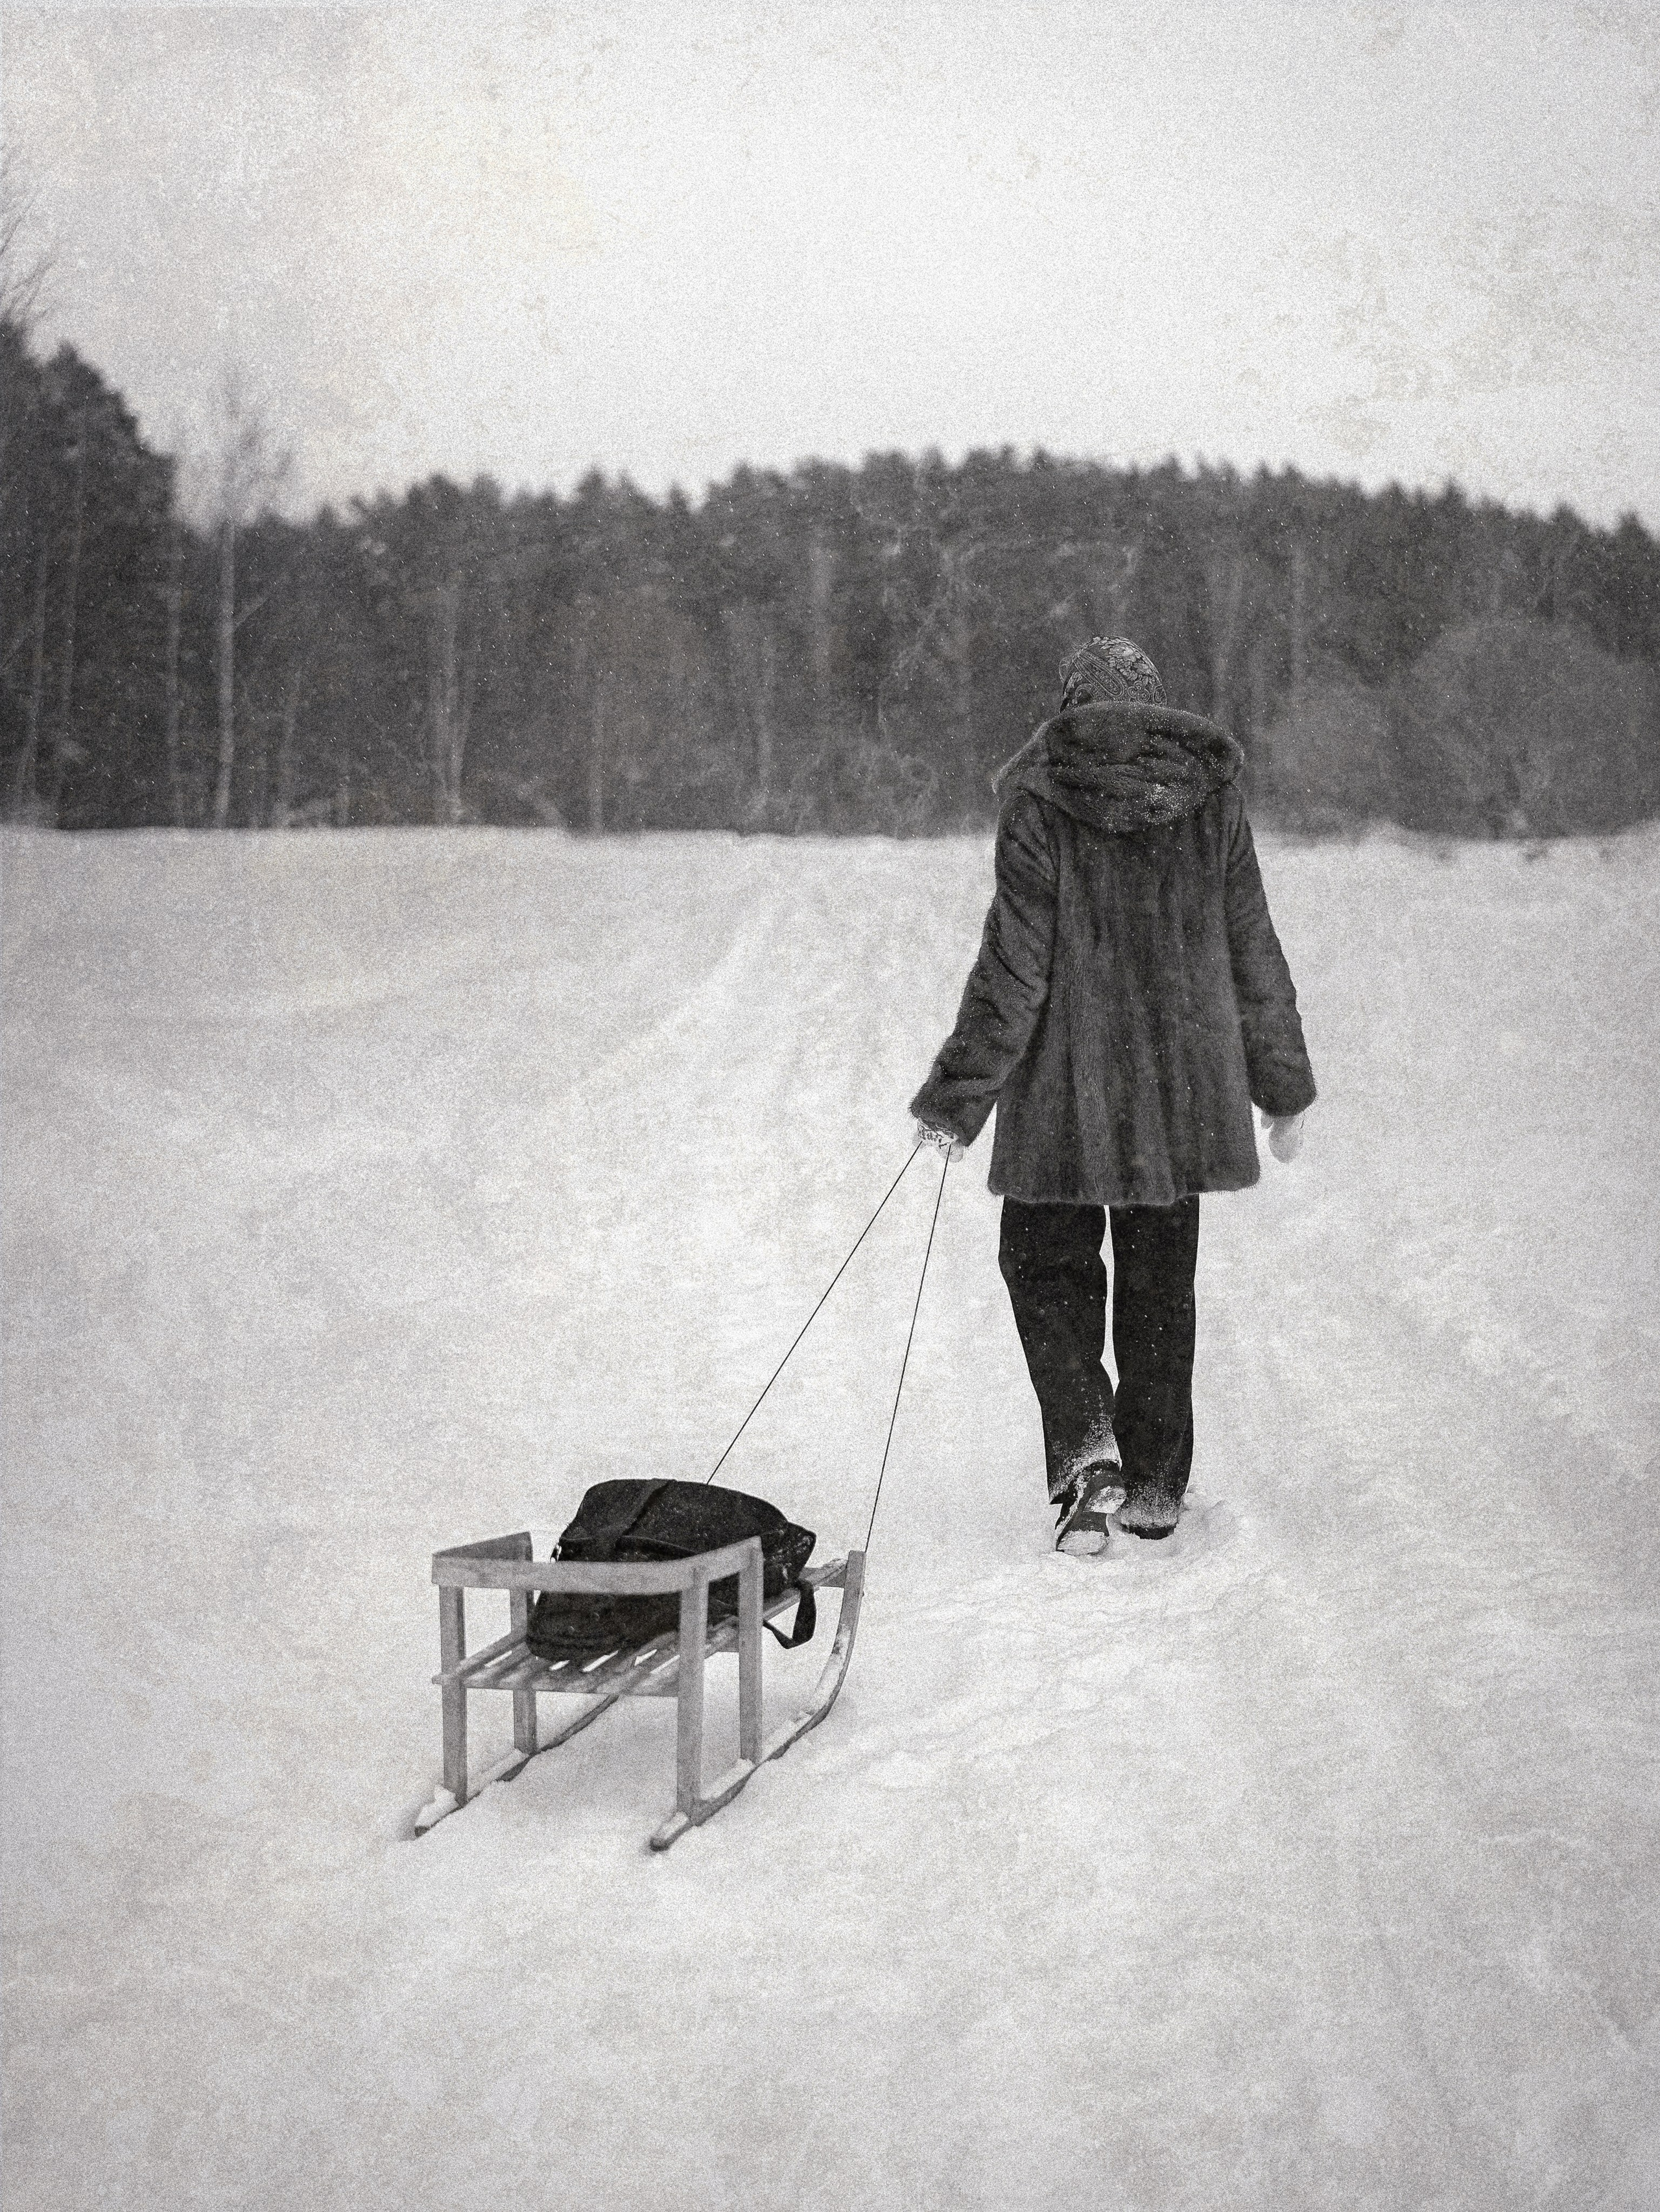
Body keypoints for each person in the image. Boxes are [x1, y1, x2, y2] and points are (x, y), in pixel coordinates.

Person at [908, 636, 1315, 1552]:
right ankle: (1157, 1484)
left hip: (1065, 1091)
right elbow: (1254, 945)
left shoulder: (1041, 794)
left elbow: (1014, 969)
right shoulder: (1209, 797)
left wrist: (958, 1099)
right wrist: (1282, 1084)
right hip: (1179, 1091)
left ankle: (1088, 1456)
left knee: (1045, 1268)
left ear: (1068, 705)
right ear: (1155, 705)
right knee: (1160, 1284)